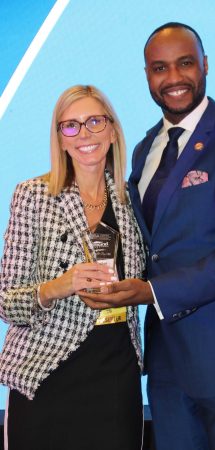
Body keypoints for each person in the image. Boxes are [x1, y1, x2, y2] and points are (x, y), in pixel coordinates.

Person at [90, 23, 215, 450]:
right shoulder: (146, 150)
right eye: (159, 68)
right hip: (168, 367)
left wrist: (150, 292)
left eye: (185, 63)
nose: (174, 78)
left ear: (205, 65)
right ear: (147, 75)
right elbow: (152, 246)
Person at [0, 84, 145, 450]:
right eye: (71, 126)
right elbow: (6, 302)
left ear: (112, 130)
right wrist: (59, 286)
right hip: (47, 372)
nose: (84, 134)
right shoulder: (33, 196)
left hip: (116, 372)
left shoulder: (133, 199)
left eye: (95, 121)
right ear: (60, 138)